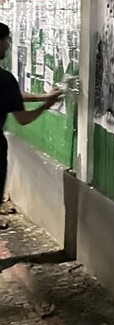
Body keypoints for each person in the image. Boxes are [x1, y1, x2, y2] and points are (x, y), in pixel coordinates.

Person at [0, 22, 64, 205]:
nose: (8, 45)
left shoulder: (6, 83)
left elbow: (10, 96)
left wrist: (42, 96)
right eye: (6, 40)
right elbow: (23, 119)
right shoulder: (5, 79)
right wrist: (46, 105)